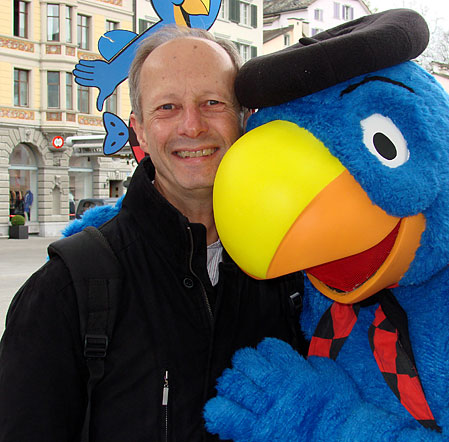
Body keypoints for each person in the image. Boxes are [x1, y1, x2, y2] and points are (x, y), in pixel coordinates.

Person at [0, 25, 306, 442]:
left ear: (242, 118)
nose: (192, 126)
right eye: (167, 108)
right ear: (139, 130)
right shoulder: (66, 289)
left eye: (212, 102)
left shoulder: (289, 272)